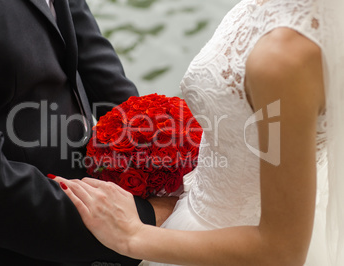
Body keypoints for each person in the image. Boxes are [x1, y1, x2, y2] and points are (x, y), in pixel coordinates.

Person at [53, 0, 344, 265]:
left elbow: (281, 251)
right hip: (196, 200)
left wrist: (132, 236)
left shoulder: (284, 58)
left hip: (217, 239)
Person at [0, 0, 177, 265]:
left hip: (102, 200)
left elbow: (86, 46)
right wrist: (140, 221)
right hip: (12, 241)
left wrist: (155, 147)